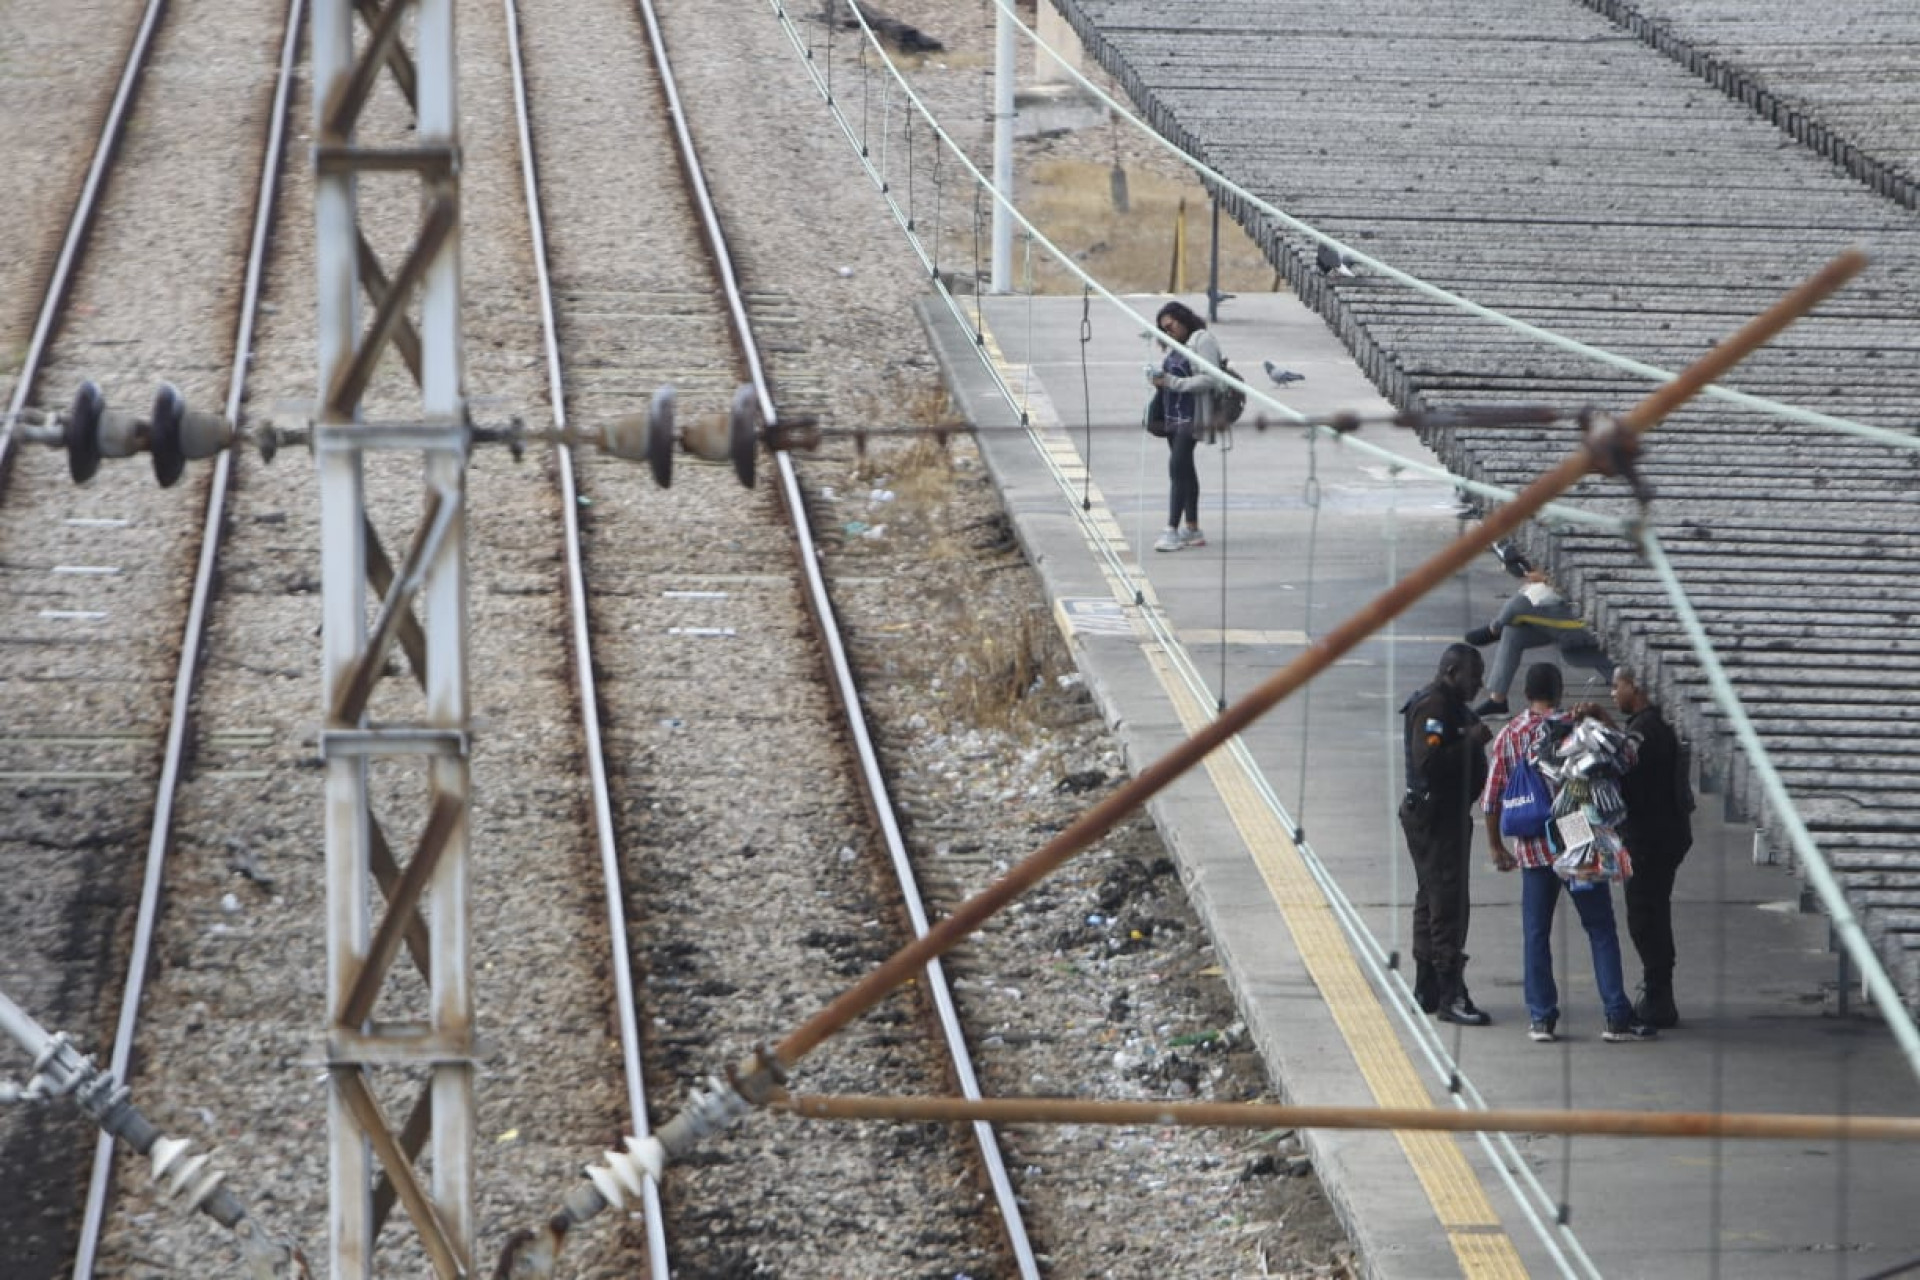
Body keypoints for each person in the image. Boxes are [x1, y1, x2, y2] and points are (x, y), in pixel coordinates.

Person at [1483, 664, 1657, 1043]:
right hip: (1575, 832)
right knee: (1600, 929)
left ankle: (1541, 1019)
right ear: (1559, 690)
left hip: (1531, 840)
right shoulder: (1578, 725)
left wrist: (1496, 845)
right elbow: (1627, 758)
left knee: (1536, 933)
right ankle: (1616, 1016)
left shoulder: (1510, 734)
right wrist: (1599, 716)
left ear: (1526, 692)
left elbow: (1492, 797)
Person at [1399, 643, 1494, 1025]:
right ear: (1452, 672)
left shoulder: (1449, 705)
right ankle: (1450, 993)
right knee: (1448, 903)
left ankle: (1428, 986)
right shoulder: (1435, 708)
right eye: (1474, 675)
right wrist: (1471, 742)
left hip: (1443, 815)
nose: (1480, 684)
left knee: (1430, 896)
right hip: (1437, 818)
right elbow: (1430, 764)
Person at [1612, 666, 1693, 1028]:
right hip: (1666, 835)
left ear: (1636, 686)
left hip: (1650, 838)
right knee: (1654, 910)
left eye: (1618, 686)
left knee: (1646, 915)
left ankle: (1659, 996)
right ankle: (1659, 991)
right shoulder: (1657, 724)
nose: (1614, 694)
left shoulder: (1645, 731)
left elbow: (1626, 772)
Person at [1463, 571, 1613, 717]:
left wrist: (1546, 579)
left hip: (1590, 618)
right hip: (1573, 610)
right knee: (1513, 633)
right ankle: (1497, 700)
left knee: (1519, 605)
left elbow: (1588, 582)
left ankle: (1495, 628)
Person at [1148, 301, 1221, 553]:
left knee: (1177, 467)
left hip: (1192, 416)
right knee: (1185, 470)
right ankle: (1192, 528)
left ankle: (1171, 530)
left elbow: (1211, 378)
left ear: (1183, 319)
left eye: (1170, 326)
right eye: (1163, 330)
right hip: (1173, 414)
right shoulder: (1177, 346)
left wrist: (1172, 382)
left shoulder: (1202, 340)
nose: (1168, 332)